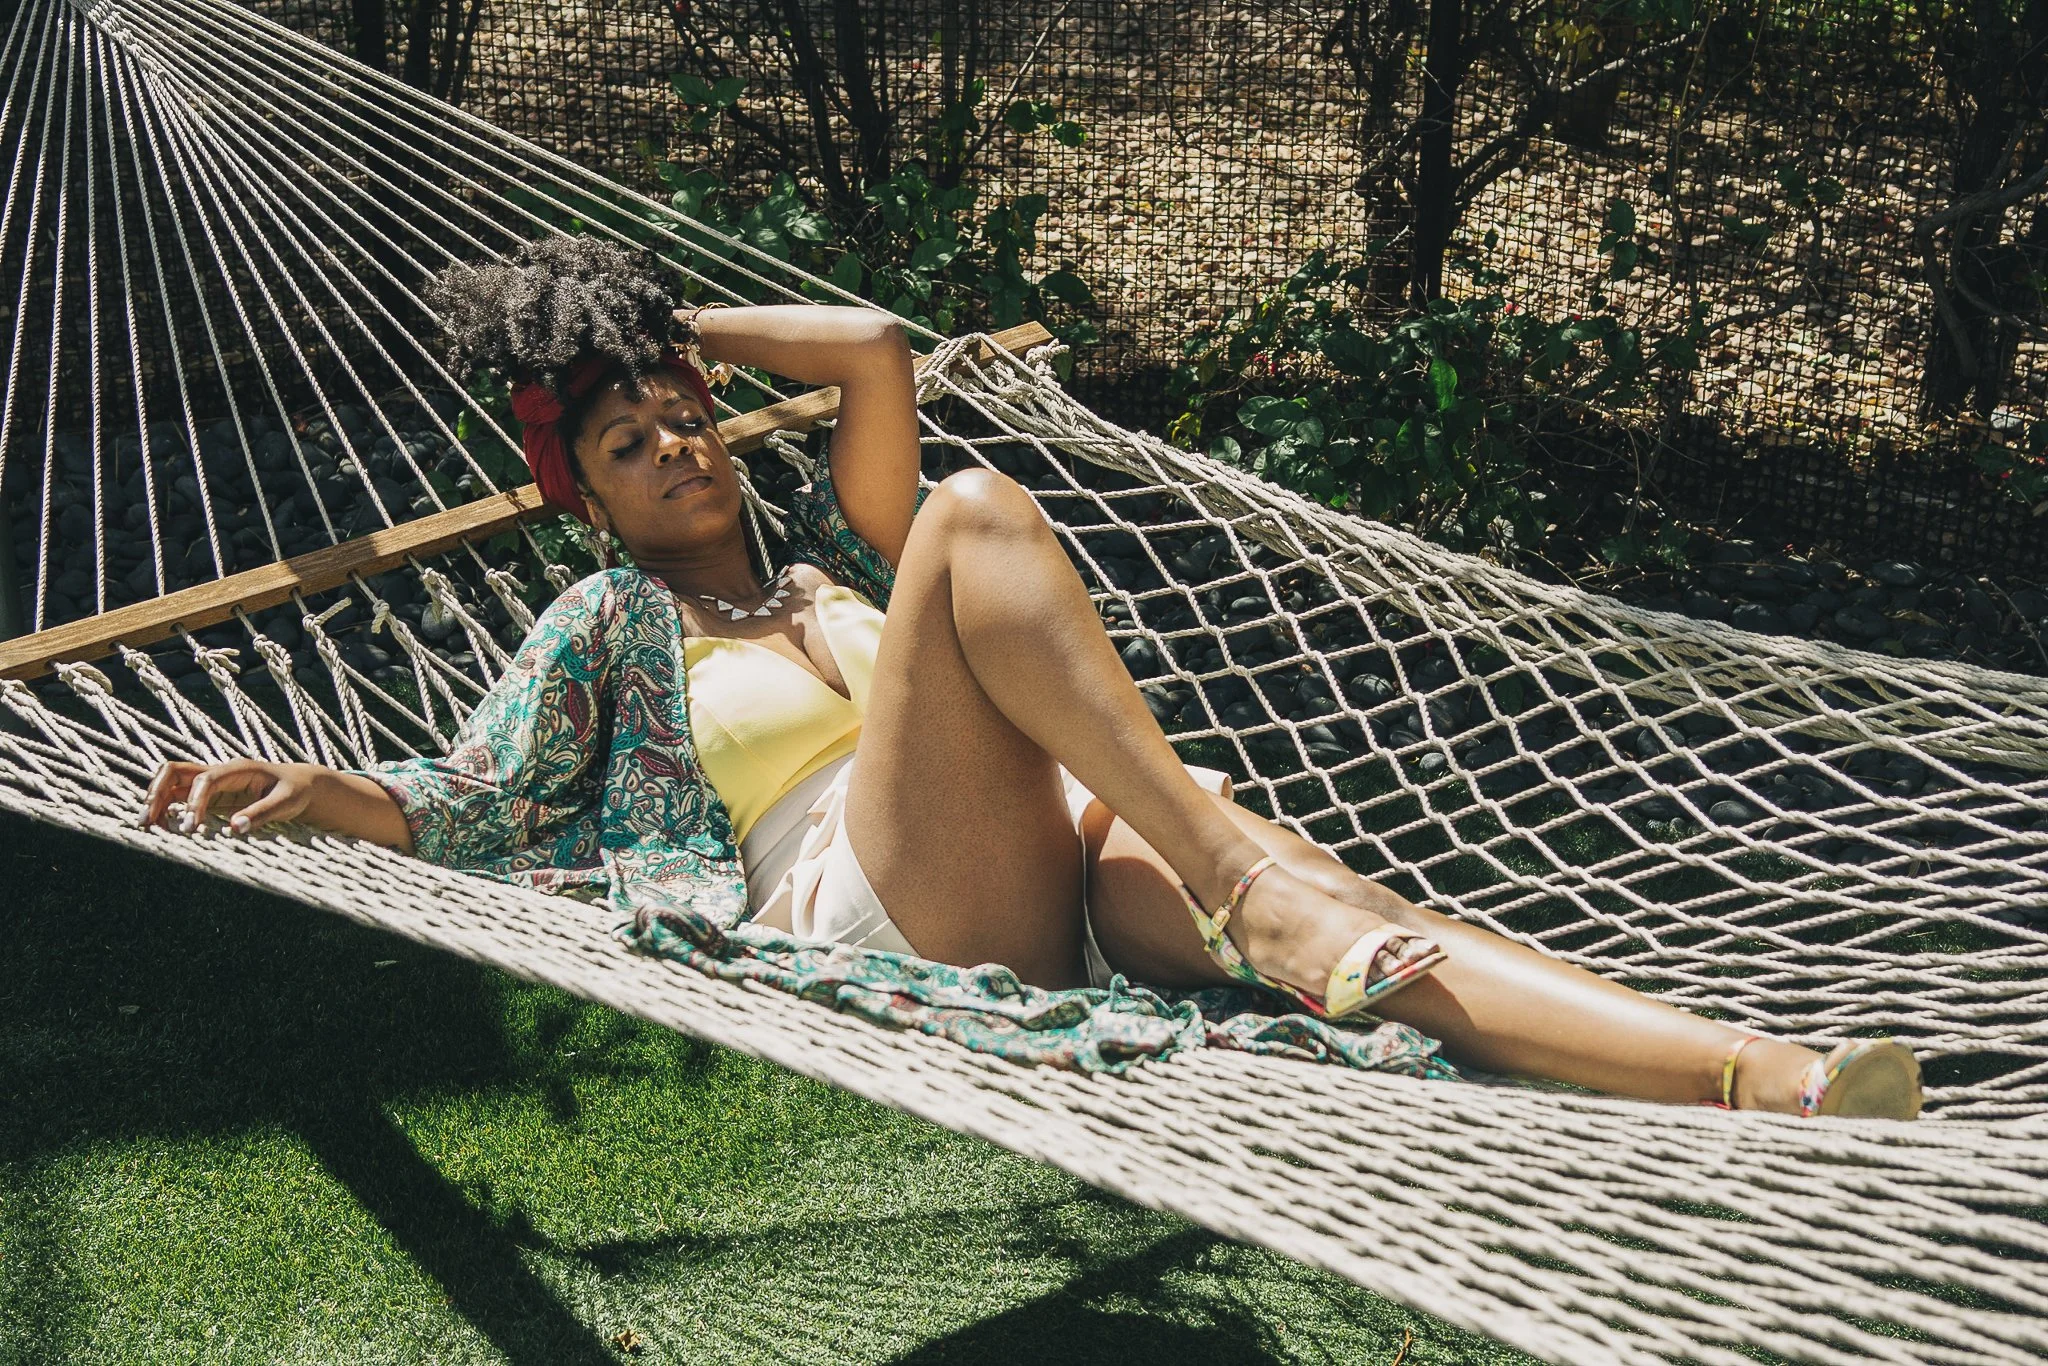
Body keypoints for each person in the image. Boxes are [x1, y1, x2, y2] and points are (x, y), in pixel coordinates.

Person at [141, 238, 1921, 1119]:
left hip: (1057, 849)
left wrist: (680, 329)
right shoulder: (607, 626)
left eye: (685, 414)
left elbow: (873, 350)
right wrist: (317, 791)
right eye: (631, 437)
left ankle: (1759, 1075)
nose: (683, 442)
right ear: (580, 490)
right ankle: (1236, 880)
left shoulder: (833, 563)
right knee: (980, 519)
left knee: (1357, 918)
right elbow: (469, 801)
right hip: (874, 900)